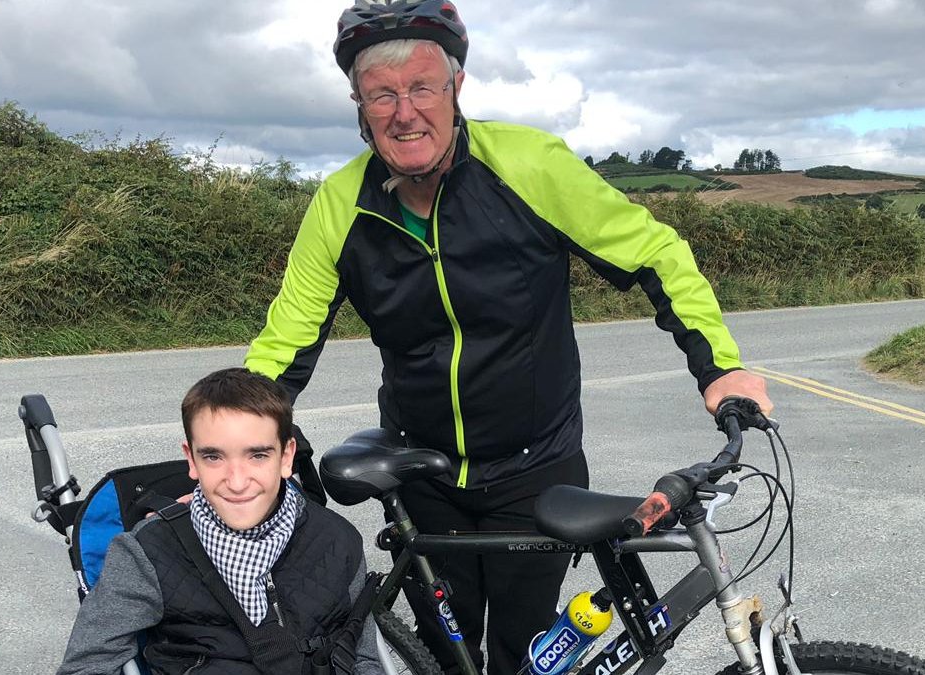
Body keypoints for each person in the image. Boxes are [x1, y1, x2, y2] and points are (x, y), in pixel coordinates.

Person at [244, 1, 773, 672]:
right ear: (359, 105)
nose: (404, 112)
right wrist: (238, 440)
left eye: (422, 87)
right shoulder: (340, 204)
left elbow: (656, 254)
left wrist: (718, 367)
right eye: (382, 94)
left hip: (535, 468)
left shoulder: (528, 164)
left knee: (526, 657)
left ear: (456, 87)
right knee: (444, 657)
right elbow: (284, 341)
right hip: (424, 471)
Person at [57, 368, 380, 675]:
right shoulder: (147, 554)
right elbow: (86, 665)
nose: (236, 482)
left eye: (258, 455)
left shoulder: (338, 540)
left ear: (286, 457)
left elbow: (362, 657)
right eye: (213, 457)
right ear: (191, 459)